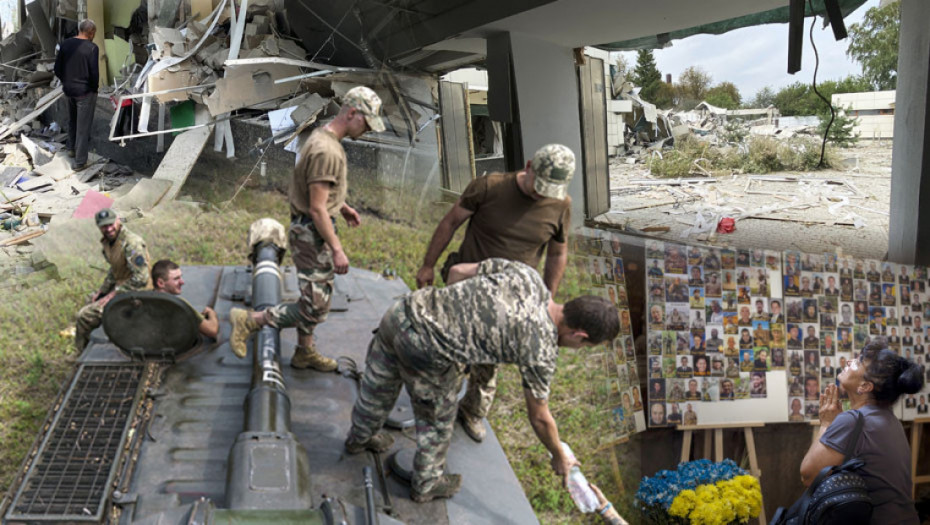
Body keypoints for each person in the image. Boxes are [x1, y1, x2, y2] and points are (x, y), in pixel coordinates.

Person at [344, 258, 619, 501]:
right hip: (426, 349)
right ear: (580, 335)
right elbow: (540, 417)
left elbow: (458, 271)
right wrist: (560, 456)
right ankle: (427, 484)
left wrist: (450, 312)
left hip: (403, 312)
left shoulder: (528, 276)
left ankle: (359, 438)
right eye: (585, 346)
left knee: (377, 386)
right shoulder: (541, 349)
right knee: (437, 420)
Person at [413, 144, 574, 443]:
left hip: (513, 299)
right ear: (528, 166)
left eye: (548, 190)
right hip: (465, 285)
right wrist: (428, 265)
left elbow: (557, 253)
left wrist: (548, 296)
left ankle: (472, 411)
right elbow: (450, 222)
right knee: (448, 351)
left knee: (489, 358)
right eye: (538, 186)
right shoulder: (489, 187)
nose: (541, 195)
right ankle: (432, 406)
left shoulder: (560, 203)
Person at [230, 86, 384, 371]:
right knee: (314, 304)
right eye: (367, 123)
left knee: (312, 293)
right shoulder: (327, 150)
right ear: (352, 113)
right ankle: (251, 320)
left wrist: (343, 206)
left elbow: (320, 191)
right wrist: (337, 249)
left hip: (312, 225)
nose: (368, 131)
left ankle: (305, 351)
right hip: (311, 230)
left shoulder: (321, 137)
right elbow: (317, 208)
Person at [800, 339, 923, 524]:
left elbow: (808, 476)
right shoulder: (891, 419)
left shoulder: (853, 420)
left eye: (857, 362)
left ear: (865, 386)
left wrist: (826, 424)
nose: (849, 362)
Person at [74, 209, 152, 352]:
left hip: (138, 294)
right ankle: (102, 340)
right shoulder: (109, 243)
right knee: (91, 300)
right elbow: (114, 270)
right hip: (123, 289)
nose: (109, 229)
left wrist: (113, 294)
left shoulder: (131, 243)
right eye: (104, 226)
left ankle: (82, 354)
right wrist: (102, 291)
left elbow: (141, 278)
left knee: (83, 316)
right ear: (99, 227)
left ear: (118, 221)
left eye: (111, 224)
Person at [54, 19, 99, 170]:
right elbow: (94, 73)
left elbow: (57, 68)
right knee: (83, 127)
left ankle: (71, 149)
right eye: (94, 33)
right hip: (85, 93)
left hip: (69, 90)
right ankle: (80, 162)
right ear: (91, 32)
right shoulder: (92, 48)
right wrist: (94, 88)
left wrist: (66, 82)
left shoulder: (65, 44)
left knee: (72, 121)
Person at [151, 259, 219, 339]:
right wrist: (212, 313)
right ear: (161, 283)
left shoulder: (144, 300)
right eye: (176, 279)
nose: (182, 282)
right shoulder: (179, 306)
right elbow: (212, 330)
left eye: (181, 277)